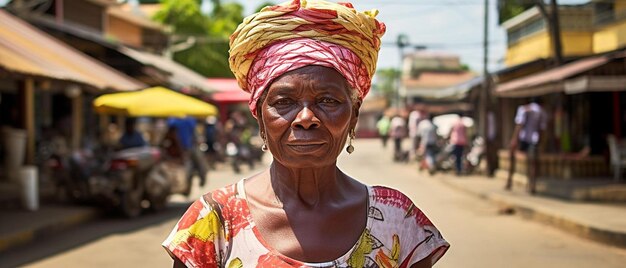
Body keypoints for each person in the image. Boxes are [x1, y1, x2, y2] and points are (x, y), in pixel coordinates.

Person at [162, 1, 449, 267]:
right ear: (260, 118)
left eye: (328, 101)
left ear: (355, 115)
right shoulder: (214, 222)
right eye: (284, 102)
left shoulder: (398, 219)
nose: (306, 119)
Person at [505, 99, 547, 194]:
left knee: (513, 157)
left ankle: (509, 181)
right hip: (534, 139)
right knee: (533, 162)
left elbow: (519, 125)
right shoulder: (542, 112)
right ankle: (532, 186)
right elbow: (542, 129)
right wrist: (542, 143)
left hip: (523, 138)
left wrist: (514, 140)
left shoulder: (523, 109)